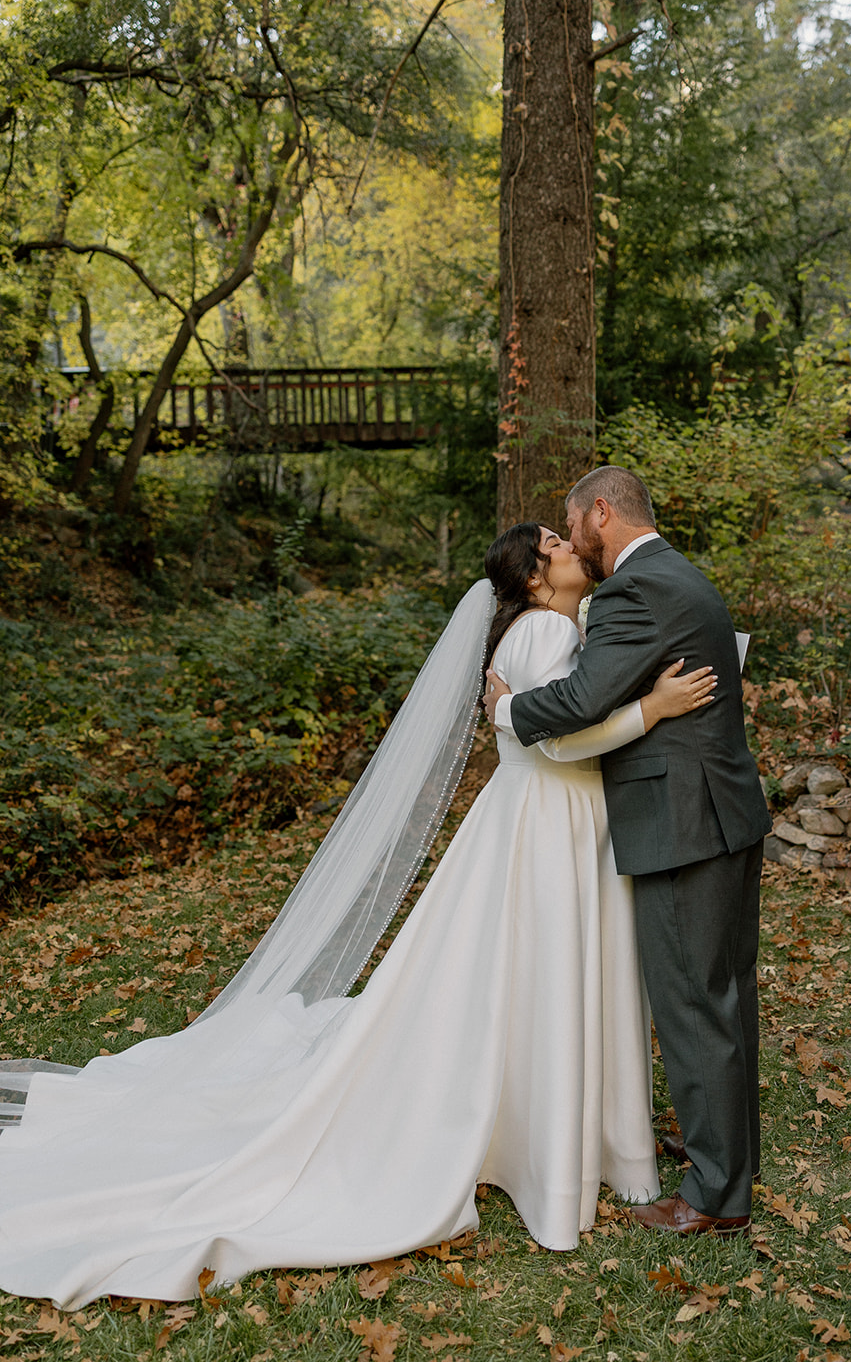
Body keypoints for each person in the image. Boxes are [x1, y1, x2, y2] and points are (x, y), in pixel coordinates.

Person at [0, 522, 714, 1311]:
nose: (571, 541)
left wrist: (523, 710)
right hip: (548, 822)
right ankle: (551, 1144)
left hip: (546, 821)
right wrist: (651, 708)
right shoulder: (546, 626)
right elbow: (561, 744)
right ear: (538, 578)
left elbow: (540, 719)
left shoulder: (551, 623)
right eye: (553, 541)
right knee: (543, 974)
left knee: (525, 979)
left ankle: (551, 1130)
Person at [485, 468, 770, 1239]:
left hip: (684, 821)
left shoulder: (630, 591)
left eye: (570, 524)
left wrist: (507, 707)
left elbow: (578, 703)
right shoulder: (679, 572)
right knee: (724, 998)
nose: (569, 537)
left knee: (691, 1002)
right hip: (724, 812)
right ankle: (725, 1155)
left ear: (600, 515)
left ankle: (714, 1195)